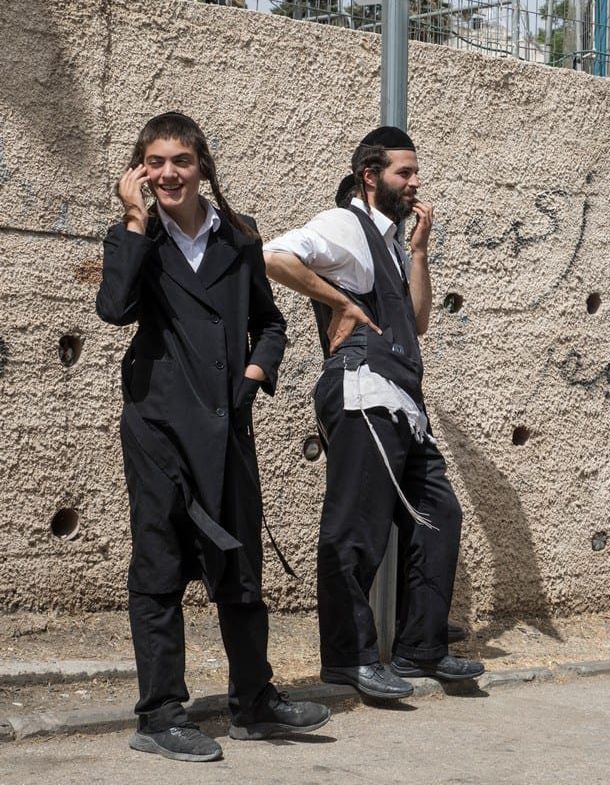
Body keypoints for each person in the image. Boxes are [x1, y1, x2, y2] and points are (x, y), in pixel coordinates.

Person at [97, 112, 330, 763]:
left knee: (240, 565)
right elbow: (114, 308)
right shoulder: (138, 239)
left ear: (202, 166)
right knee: (161, 566)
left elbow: (271, 322)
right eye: (156, 162)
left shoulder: (239, 238)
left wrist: (254, 377)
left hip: (228, 426)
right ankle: (161, 715)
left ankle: (253, 703)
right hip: (159, 429)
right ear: (141, 171)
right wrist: (135, 219)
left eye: (181, 161)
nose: (169, 173)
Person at [263, 127, 483, 703]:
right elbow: (275, 256)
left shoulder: (388, 242)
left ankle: (418, 647)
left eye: (415, 173)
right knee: (355, 532)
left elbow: (417, 321)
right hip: (362, 394)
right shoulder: (344, 224)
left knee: (439, 515)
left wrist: (418, 251)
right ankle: (348, 659)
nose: (415, 183)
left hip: (402, 403)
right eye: (403, 174)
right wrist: (338, 302)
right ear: (370, 177)